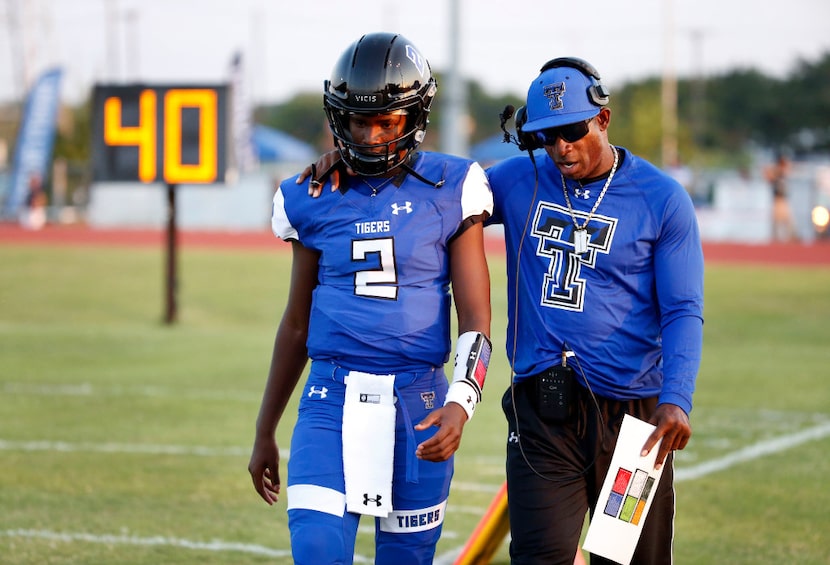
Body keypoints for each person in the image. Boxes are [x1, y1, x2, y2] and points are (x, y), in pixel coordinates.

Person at [247, 32, 493, 565]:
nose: (373, 134)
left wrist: (461, 402)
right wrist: (265, 428)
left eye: (388, 120)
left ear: (415, 116)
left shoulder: (453, 186)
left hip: (419, 402)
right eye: (361, 121)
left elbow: (476, 321)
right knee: (316, 550)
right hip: (329, 398)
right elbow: (296, 323)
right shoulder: (313, 193)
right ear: (340, 119)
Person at [486, 57, 704, 564]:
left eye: (571, 130)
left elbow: (682, 309)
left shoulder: (662, 199)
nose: (560, 146)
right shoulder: (519, 178)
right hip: (543, 412)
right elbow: (440, 191)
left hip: (634, 425)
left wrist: (678, 397)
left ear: (602, 120)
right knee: (541, 559)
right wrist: (345, 159)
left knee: (625, 560)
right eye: (545, 135)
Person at [764, 150, 798, 242]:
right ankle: (776, 239)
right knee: (777, 220)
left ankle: (790, 237)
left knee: (787, 219)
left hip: (784, 198)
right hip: (777, 198)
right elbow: (768, 176)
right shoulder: (775, 171)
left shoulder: (784, 171)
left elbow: (790, 169)